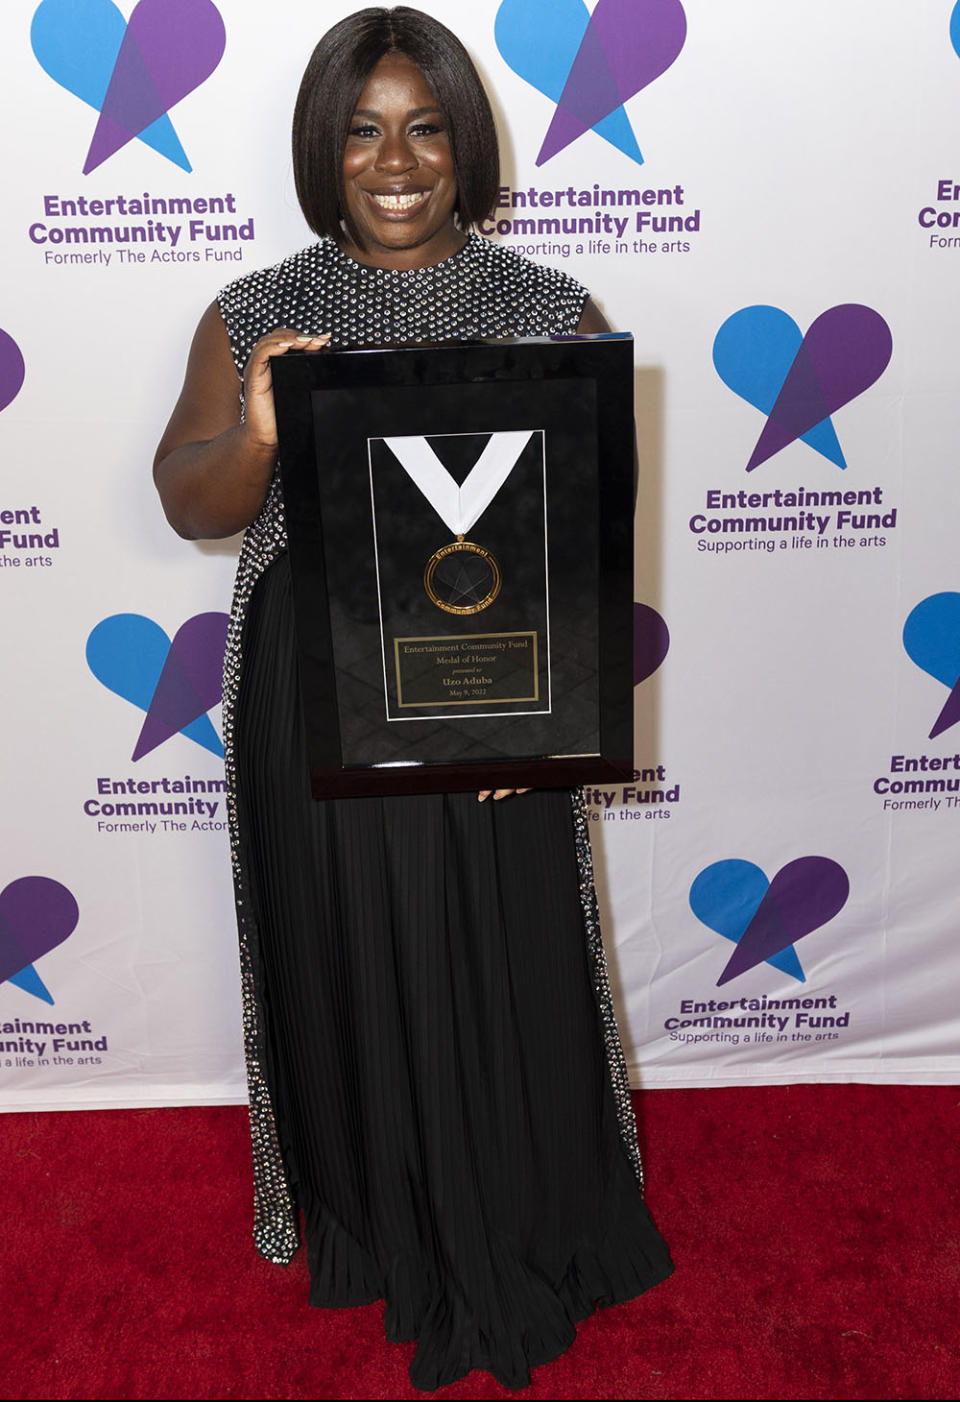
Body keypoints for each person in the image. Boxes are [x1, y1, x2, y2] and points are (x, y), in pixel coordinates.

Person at [154, 7, 672, 1390]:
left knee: (499, 949)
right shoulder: (257, 306)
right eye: (365, 129)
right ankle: (378, 1219)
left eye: (425, 126)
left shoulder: (547, 307)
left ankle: (519, 1211)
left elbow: (577, 543)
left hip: (489, 699)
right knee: (343, 948)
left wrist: (545, 715)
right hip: (310, 692)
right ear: (326, 146)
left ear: (465, 145)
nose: (396, 160)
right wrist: (261, 429)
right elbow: (190, 498)